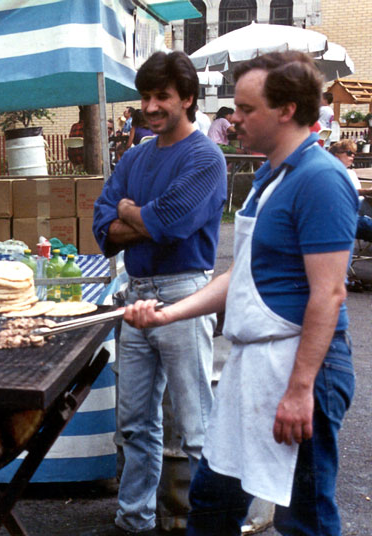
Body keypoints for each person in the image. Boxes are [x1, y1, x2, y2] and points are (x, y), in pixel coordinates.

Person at [124, 51, 358, 536]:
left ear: (287, 109)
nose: (234, 120)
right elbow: (243, 277)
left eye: (247, 109)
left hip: (301, 368)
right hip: (253, 367)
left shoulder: (321, 179)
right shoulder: (268, 178)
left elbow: (329, 294)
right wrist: (170, 314)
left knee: (304, 517)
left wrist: (299, 391)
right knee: (211, 501)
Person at [92, 50, 227, 535]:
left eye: (162, 97)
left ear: (187, 99)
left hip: (185, 293)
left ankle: (209, 524)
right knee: (133, 422)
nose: (150, 107)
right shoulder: (134, 155)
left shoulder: (206, 158)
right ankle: (134, 520)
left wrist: (135, 214)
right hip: (135, 293)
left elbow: (170, 223)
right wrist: (137, 217)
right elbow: (101, 228)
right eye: (145, 96)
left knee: (195, 424)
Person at [329, 140, 372, 242]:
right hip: (345, 212)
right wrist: (366, 191)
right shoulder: (331, 173)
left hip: (360, 206)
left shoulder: (351, 173)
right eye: (349, 153)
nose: (352, 156)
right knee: (366, 223)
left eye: (354, 154)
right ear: (336, 156)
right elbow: (343, 193)